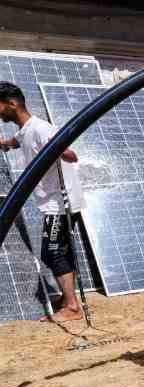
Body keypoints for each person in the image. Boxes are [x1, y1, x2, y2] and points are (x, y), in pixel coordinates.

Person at [0, 82, 86, 323]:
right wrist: (4, 144)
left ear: (12, 104)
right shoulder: (25, 129)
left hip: (60, 204)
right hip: (51, 202)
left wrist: (56, 151)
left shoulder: (40, 129)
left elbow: (70, 154)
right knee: (59, 250)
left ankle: (72, 308)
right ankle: (69, 299)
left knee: (52, 252)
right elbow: (17, 141)